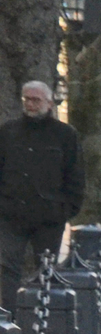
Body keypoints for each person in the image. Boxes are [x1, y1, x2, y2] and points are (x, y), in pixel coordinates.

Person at [0, 81, 81, 308]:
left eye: (36, 100)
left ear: (49, 102)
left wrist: (66, 209)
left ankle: (44, 317)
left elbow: (75, 175)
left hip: (49, 216)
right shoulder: (8, 132)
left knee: (46, 269)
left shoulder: (65, 135)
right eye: (27, 99)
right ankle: (9, 317)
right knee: (8, 268)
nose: (30, 104)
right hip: (11, 213)